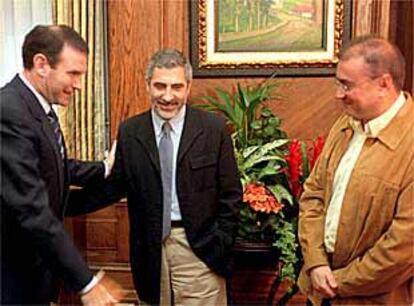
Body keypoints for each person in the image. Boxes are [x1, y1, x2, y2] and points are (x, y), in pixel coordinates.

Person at [69, 48, 242, 305]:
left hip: (200, 252)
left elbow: (231, 194)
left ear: (188, 87)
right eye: (160, 86)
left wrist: (220, 241)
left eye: (176, 87)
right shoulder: (131, 131)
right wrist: (57, 203)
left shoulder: (213, 129)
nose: (168, 96)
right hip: (150, 253)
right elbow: (113, 187)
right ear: (148, 84)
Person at [0, 25, 123, 305]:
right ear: (41, 64)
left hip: (36, 275)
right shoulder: (9, 112)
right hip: (12, 278)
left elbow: (55, 166)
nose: (79, 84)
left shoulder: (37, 110)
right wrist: (87, 283)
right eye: (73, 73)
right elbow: (32, 209)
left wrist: (104, 168)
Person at [298, 36, 413, 305]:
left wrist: (339, 282)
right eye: (338, 83)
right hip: (321, 290)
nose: (338, 94)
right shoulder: (345, 124)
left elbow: (403, 248)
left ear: (384, 84)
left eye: (347, 85)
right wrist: (315, 264)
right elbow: (313, 195)